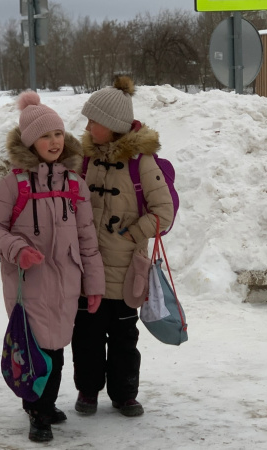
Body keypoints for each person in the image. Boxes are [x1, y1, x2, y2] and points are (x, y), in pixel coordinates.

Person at [0, 91, 105, 443]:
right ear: (29, 142)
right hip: (28, 281)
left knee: (57, 345)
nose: (53, 142)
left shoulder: (74, 185)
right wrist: (17, 249)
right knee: (38, 345)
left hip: (67, 279)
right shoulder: (11, 186)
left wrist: (93, 284)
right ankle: (38, 410)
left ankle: (43, 404)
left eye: (57, 135)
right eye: (44, 136)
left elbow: (87, 239)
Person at [72, 75, 174, 418]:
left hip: (127, 269)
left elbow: (164, 212)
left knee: (123, 339)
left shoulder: (142, 163)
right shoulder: (85, 160)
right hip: (88, 268)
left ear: (112, 126)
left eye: (93, 121)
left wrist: (133, 234)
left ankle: (124, 394)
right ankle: (87, 391)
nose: (87, 127)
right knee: (85, 336)